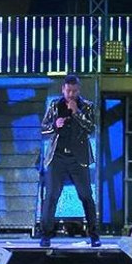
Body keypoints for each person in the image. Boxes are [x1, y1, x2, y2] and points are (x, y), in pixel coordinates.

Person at [38, 75, 101, 248]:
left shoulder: (87, 106)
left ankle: (94, 235)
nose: (71, 94)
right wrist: (54, 126)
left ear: (78, 90)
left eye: (74, 91)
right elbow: (43, 129)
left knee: (86, 196)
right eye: (68, 91)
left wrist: (77, 113)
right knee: (51, 196)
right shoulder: (54, 106)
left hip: (78, 158)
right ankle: (45, 235)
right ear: (63, 90)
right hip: (57, 157)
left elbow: (91, 128)